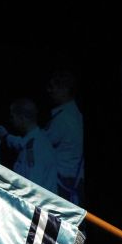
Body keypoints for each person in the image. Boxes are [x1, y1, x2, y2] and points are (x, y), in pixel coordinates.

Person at [0, 98, 57, 193]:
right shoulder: (39, 138)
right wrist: (4, 136)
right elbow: (19, 143)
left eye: (12, 117)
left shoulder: (34, 148)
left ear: (22, 118)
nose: (11, 121)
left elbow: (31, 189)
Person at [45, 70, 83, 204]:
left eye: (53, 87)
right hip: (71, 182)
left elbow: (42, 144)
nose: (49, 91)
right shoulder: (75, 114)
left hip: (62, 184)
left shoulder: (64, 118)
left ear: (65, 89)